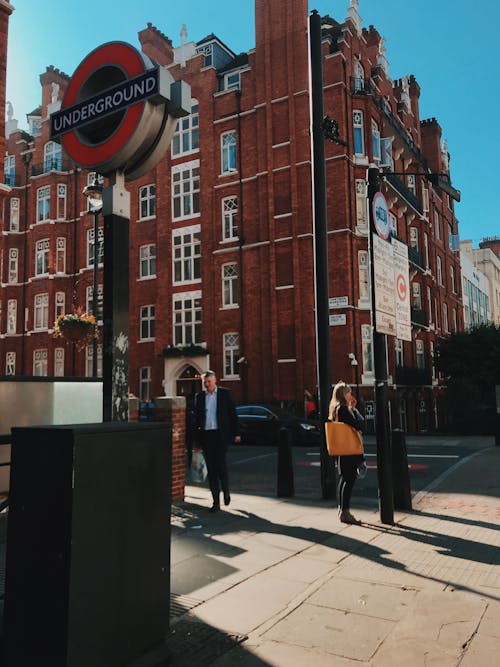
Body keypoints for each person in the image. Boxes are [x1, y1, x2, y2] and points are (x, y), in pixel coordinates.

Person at [194, 370, 241, 512]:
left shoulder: (224, 394)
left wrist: (236, 433)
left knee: (220, 464)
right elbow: (197, 419)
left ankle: (226, 490)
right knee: (211, 469)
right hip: (207, 435)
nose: (207, 385)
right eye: (205, 382)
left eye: (209, 382)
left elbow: (233, 414)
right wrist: (196, 442)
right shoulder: (200, 397)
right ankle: (216, 502)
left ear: (215, 381)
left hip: (221, 434)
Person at [328, 381, 365, 525]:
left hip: (342, 449)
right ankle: (345, 512)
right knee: (349, 480)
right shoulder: (343, 409)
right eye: (349, 392)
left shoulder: (337, 409)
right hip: (348, 450)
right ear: (343, 394)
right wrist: (354, 411)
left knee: (344, 479)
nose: (351, 395)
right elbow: (358, 424)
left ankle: (341, 509)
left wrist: (352, 408)